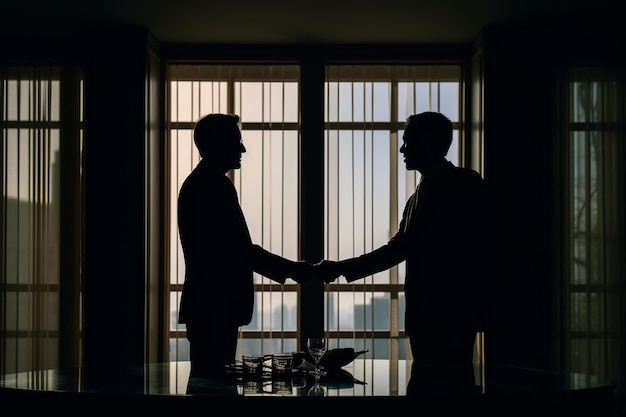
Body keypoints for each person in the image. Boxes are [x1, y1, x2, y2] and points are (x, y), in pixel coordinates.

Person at [315, 111, 491, 398]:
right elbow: (401, 245)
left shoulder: (462, 184)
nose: (402, 149)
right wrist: (340, 268)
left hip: (449, 313)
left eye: (407, 141)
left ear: (428, 141)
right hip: (430, 314)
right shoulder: (424, 193)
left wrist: (339, 268)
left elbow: (401, 248)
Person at [177, 113, 313, 386]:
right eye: (236, 141)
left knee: (211, 385)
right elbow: (238, 251)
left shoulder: (206, 183)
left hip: (211, 306)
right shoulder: (211, 187)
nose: (242, 149)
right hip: (213, 307)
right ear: (216, 143)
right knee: (213, 389)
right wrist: (292, 270)